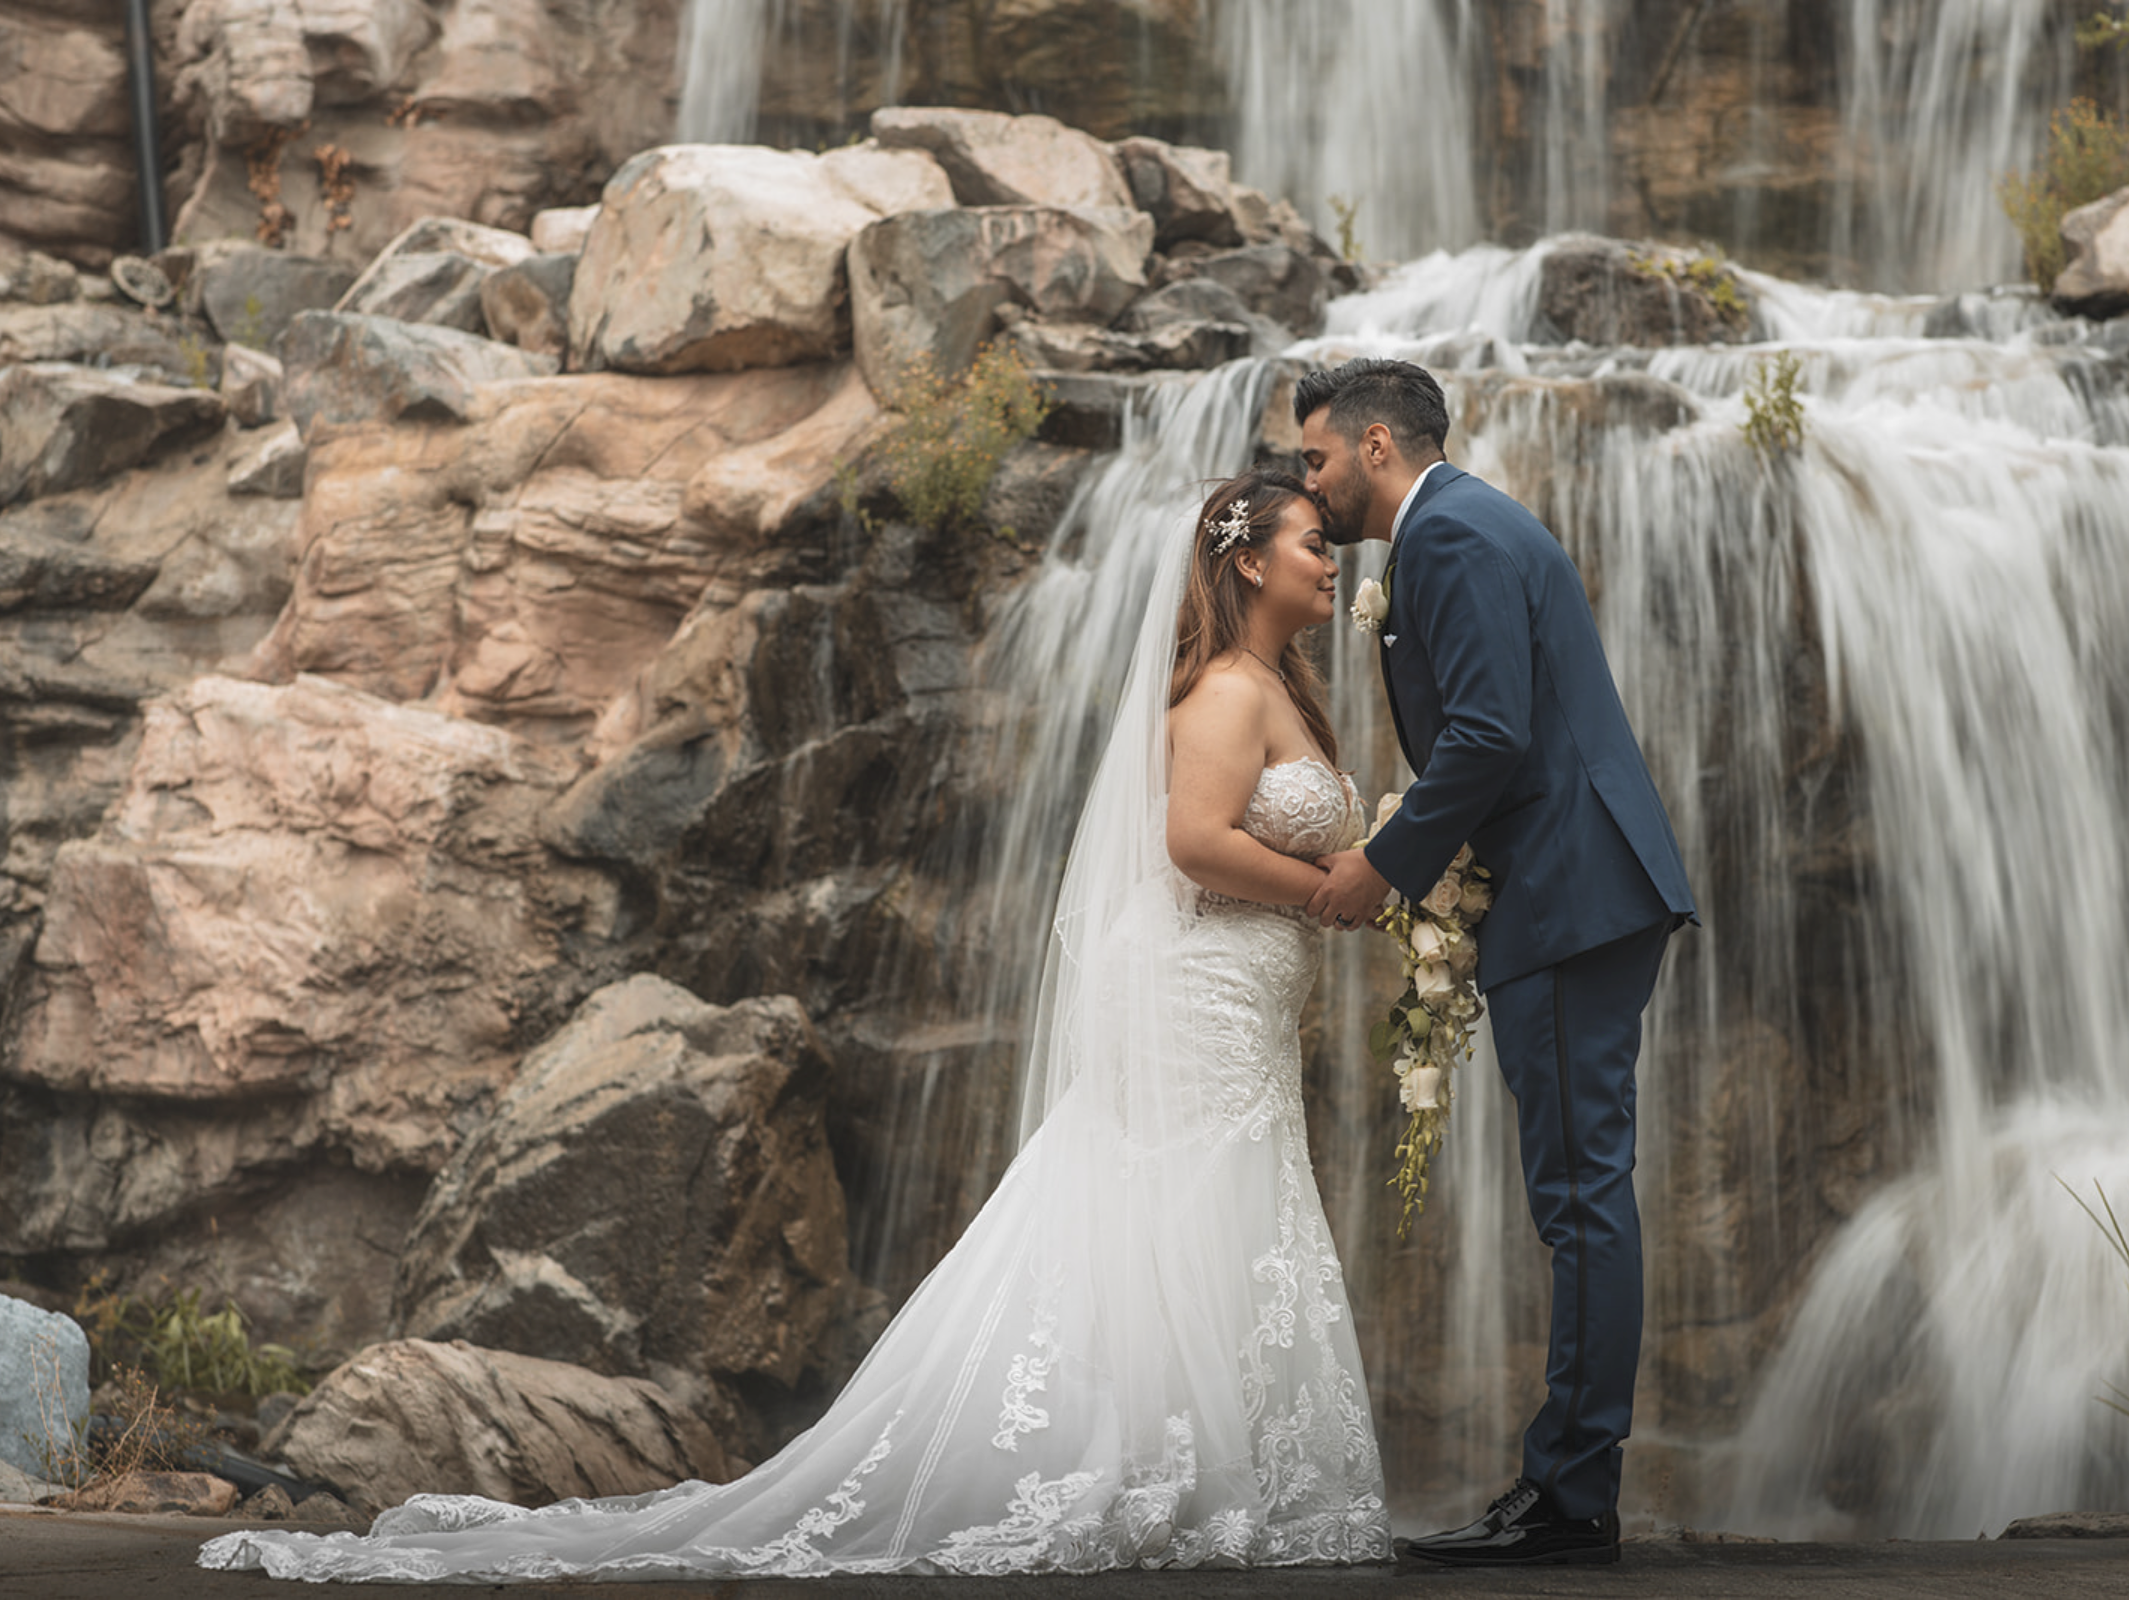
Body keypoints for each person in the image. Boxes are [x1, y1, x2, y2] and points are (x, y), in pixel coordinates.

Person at [197, 467, 1393, 1581]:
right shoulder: (1232, 689)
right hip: (1193, 981)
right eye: (1308, 542)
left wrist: (1339, 883)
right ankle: (1157, 1465)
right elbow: (1193, 843)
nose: (1328, 559)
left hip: (1228, 981)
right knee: (1169, 1199)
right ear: (1245, 564)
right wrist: (1333, 887)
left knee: (1209, 1197)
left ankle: (1204, 1460)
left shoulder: (1278, 685)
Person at [1298, 358, 1696, 1568]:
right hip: (1569, 887)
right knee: (1581, 1193)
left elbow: (1487, 732)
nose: (1305, 486)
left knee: (1581, 1195)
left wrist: (1388, 865)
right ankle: (1568, 1482)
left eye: (1315, 458)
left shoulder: (1451, 539)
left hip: (1572, 895)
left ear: (1376, 446)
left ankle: (1571, 1496)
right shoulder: (1468, 524)